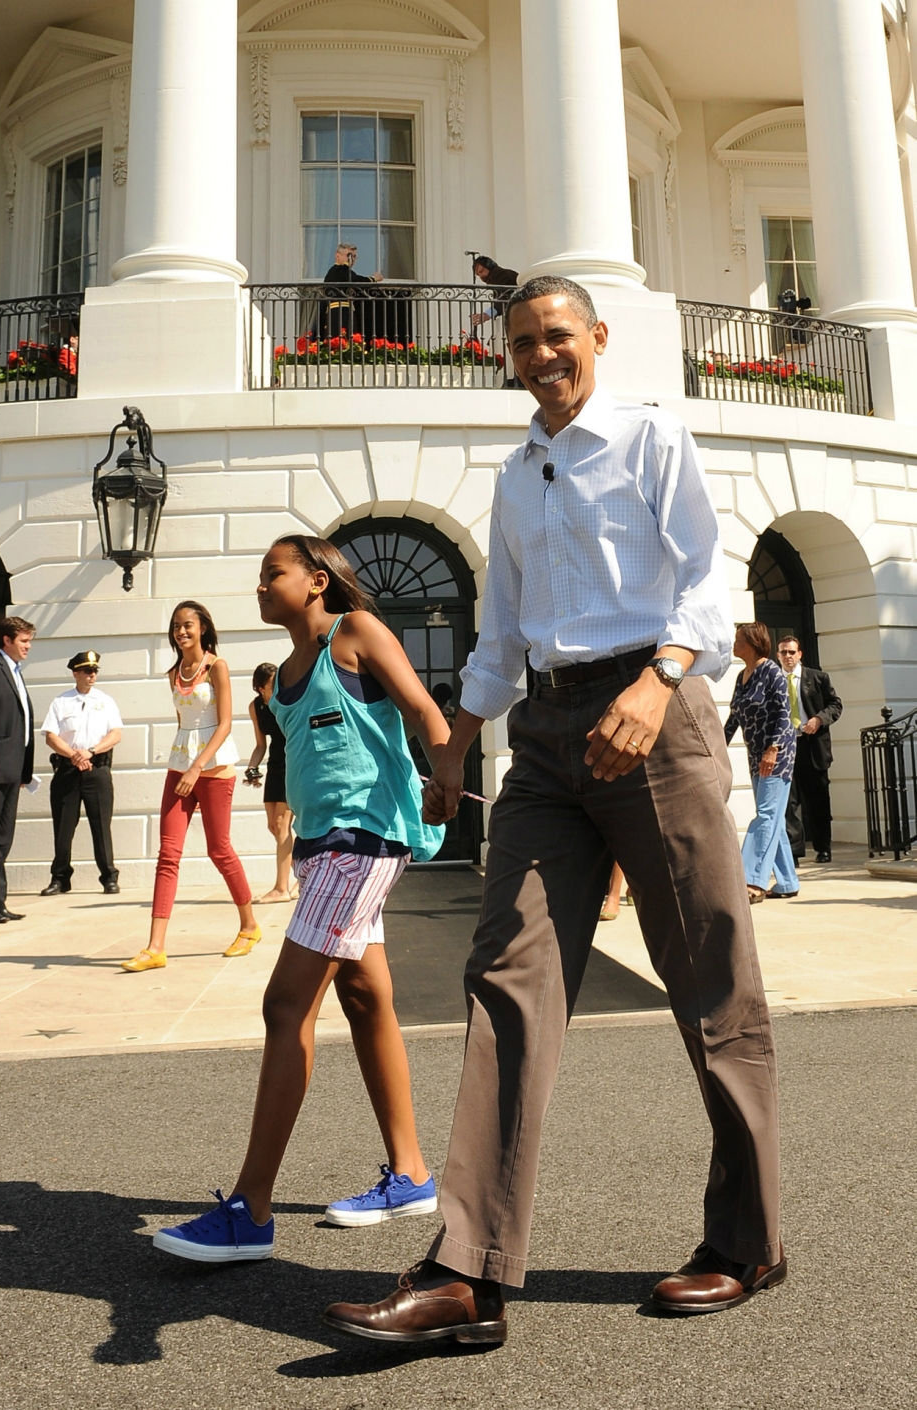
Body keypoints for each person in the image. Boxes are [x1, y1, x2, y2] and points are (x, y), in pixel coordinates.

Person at [323, 275, 783, 1346]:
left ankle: (746, 1238)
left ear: (598, 337)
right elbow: (501, 630)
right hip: (544, 733)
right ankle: (467, 1272)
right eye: (523, 341)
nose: (541, 355)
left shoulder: (651, 439)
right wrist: (451, 743)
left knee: (710, 979)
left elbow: (707, 585)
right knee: (507, 979)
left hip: (653, 717)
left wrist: (660, 679)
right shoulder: (514, 473)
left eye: (558, 335)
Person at [152, 536, 449, 1261]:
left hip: (364, 839)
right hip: (321, 848)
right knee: (365, 998)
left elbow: (423, 710)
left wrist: (446, 777)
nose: (261, 585)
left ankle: (250, 1210)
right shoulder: (285, 671)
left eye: (273, 574)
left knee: (286, 1005)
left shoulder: (356, 632)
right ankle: (410, 1174)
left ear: (317, 581)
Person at [121, 601, 259, 972]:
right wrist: (186, 766)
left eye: (188, 625)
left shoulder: (217, 666)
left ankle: (249, 926)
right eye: (176, 626)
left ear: (202, 629)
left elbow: (225, 723)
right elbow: (184, 721)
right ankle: (155, 947)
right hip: (179, 765)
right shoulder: (173, 673)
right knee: (168, 854)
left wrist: (197, 768)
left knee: (219, 849)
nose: (181, 631)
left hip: (213, 768)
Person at [724, 624, 799, 904]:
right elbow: (734, 717)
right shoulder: (741, 676)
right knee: (773, 817)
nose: (734, 643)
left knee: (766, 815)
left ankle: (751, 879)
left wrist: (773, 748)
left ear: (753, 643)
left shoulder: (772, 672)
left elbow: (784, 713)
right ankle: (788, 881)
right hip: (756, 755)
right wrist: (717, 747)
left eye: (738, 639)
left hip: (776, 755)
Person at [40, 650, 123, 896]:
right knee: (63, 829)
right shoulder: (61, 701)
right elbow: (51, 736)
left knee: (101, 826)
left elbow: (115, 734)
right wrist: (74, 755)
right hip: (68, 770)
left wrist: (90, 752)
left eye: (94, 671)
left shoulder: (105, 701)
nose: (92, 675)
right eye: (87, 671)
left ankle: (109, 877)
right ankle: (60, 878)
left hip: (96, 770)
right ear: (75, 673)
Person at [0, 617, 35, 924]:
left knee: (2, 841)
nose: (28, 646)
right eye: (24, 641)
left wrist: (24, 770)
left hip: (13, 770)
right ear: (7, 640)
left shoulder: (15, 672)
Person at [776, 636, 843, 864]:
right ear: (778, 656)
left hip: (812, 746)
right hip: (785, 746)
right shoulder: (773, 681)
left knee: (818, 800)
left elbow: (835, 704)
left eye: (791, 652)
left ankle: (823, 848)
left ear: (800, 654)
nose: (788, 656)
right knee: (789, 802)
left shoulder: (817, 678)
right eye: (783, 652)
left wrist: (819, 719)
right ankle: (794, 852)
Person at [244, 662, 297, 904]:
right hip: (275, 764)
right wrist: (252, 769)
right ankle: (304, 877)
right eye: (271, 683)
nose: (277, 686)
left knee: (282, 823)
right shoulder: (255, 707)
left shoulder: (288, 700)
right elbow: (260, 745)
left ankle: (281, 888)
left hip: (293, 761)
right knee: (274, 827)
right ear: (260, 688)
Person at [321, 242, 383, 339]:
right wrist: (373, 279)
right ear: (338, 256)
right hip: (339, 313)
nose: (352, 259)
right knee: (341, 339)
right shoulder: (339, 270)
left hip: (343, 311)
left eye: (354, 257)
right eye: (349, 256)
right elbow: (356, 281)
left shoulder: (342, 271)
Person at [469, 254, 519, 328]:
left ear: (489, 266)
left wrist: (487, 314)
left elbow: (505, 298)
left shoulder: (501, 275)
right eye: (478, 274)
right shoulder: (497, 277)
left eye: (481, 271)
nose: (481, 276)